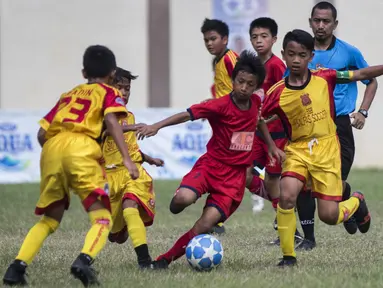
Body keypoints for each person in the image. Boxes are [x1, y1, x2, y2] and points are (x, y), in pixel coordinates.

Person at [3, 45, 139, 287]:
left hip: (52, 148)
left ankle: (16, 268)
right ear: (112, 73)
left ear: (83, 71)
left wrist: (57, 154)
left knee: (50, 219)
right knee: (102, 219)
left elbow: (41, 133)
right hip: (82, 148)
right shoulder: (108, 92)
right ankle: (83, 262)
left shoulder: (68, 95)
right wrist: (127, 159)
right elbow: (111, 119)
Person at [136, 51, 284, 269]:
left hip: (234, 180)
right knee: (182, 201)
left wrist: (271, 145)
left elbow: (259, 121)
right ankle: (179, 200)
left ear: (256, 87)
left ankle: (164, 260)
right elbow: (187, 114)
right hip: (211, 167)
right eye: (240, 82)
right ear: (233, 80)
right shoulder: (219, 106)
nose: (244, 87)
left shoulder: (254, 103)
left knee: (205, 224)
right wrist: (156, 126)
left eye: (249, 84)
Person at [262, 29, 379, 267]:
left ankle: (356, 201)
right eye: (291, 54)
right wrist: (273, 146)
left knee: (328, 215)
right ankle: (288, 257)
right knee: (287, 195)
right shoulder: (276, 93)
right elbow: (259, 120)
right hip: (297, 150)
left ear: (310, 56)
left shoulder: (326, 76)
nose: (296, 60)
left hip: (327, 149)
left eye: (302, 55)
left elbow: (362, 73)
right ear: (283, 54)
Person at [289, 1, 378, 250]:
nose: (320, 25)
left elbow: (370, 80)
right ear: (310, 22)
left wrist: (362, 112)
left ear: (334, 24)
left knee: (332, 188)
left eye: (326, 21)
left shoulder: (348, 52)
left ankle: (353, 202)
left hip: (339, 127)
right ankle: (309, 239)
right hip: (309, 126)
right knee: (305, 181)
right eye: (316, 20)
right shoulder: (302, 53)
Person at [246, 17, 303, 245]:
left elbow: (285, 98)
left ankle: (288, 225)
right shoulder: (252, 65)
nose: (259, 41)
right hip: (257, 132)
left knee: (271, 178)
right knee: (244, 173)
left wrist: (268, 116)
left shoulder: (278, 66)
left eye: (264, 36)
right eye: (254, 37)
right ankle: (282, 210)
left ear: (274, 39)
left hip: (276, 134)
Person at [102, 67, 164, 269]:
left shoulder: (129, 115)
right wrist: (132, 127)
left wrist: (148, 158)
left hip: (132, 172)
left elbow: (128, 147)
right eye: (119, 88)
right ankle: (124, 228)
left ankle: (145, 263)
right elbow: (108, 129)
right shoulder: (99, 113)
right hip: (109, 177)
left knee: (131, 206)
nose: (124, 93)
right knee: (116, 237)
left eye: (127, 88)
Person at [201, 18, 239, 234]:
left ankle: (280, 203)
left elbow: (245, 83)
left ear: (225, 39)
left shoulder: (230, 58)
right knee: (226, 168)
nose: (209, 43)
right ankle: (217, 217)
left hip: (236, 123)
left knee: (239, 171)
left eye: (213, 39)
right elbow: (223, 90)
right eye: (206, 40)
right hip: (223, 123)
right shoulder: (216, 61)